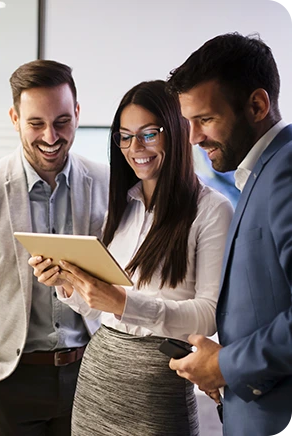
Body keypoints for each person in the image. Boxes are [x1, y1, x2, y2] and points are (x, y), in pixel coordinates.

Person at [30, 80, 233, 436]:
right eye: (124, 136)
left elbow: (208, 316)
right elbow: (99, 309)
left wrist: (124, 302)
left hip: (157, 387)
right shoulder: (123, 205)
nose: (134, 147)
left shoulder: (212, 209)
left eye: (148, 134)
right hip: (98, 380)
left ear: (176, 131)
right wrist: (69, 284)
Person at [0, 59, 109, 435]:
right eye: (36, 123)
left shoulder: (106, 182)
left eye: (62, 121)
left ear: (77, 113)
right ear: (15, 118)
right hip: (9, 383)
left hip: (90, 375)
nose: (50, 136)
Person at [167, 32, 292, 436]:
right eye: (188, 122)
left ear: (257, 105)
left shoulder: (286, 173)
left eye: (204, 120)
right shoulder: (259, 174)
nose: (193, 137)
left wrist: (224, 365)